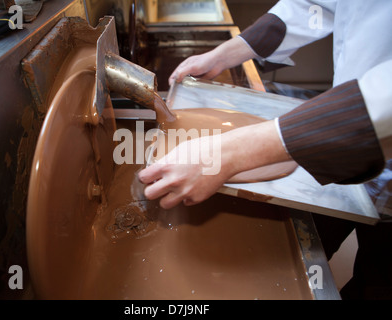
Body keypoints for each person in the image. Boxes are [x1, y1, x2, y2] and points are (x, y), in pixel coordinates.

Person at [138, 0, 392, 299]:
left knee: (379, 278)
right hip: (340, 137)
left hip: (366, 131)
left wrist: (228, 153)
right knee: (318, 244)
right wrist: (225, 54)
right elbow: (314, 5)